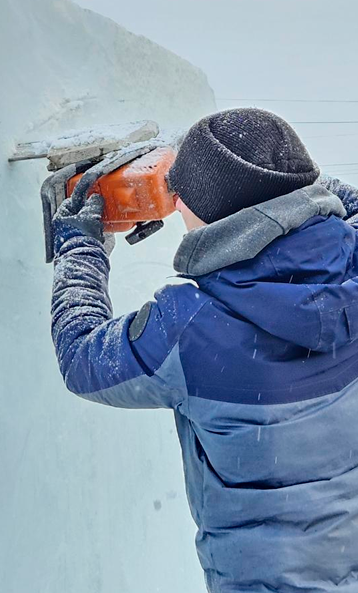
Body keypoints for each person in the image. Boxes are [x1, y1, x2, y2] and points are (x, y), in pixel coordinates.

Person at [51, 108, 358, 592]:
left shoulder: (190, 326)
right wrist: (299, 191)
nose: (171, 199)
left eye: (179, 194)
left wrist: (79, 248)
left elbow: (84, 356)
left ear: (212, 212)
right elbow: (343, 202)